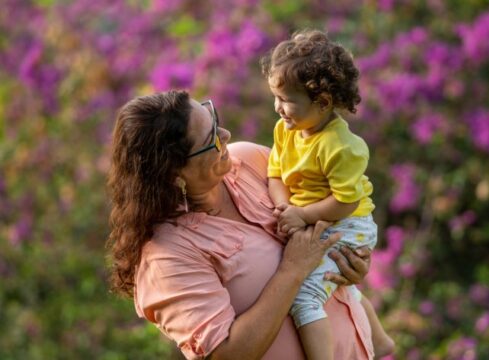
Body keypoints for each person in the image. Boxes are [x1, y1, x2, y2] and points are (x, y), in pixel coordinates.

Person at [106, 90, 376, 359]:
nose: (225, 135)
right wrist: (292, 270)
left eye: (214, 120)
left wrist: (350, 262)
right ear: (175, 173)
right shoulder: (166, 257)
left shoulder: (248, 160)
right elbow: (226, 354)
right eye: (211, 138)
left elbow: (332, 208)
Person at [261, 29, 395, 360]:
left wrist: (303, 216)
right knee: (334, 280)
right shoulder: (287, 130)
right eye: (275, 98)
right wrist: (285, 207)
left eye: (287, 100)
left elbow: (346, 201)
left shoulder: (341, 147)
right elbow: (275, 173)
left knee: (305, 295)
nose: (278, 108)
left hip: (348, 223)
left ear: (321, 103)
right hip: (317, 217)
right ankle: (380, 341)